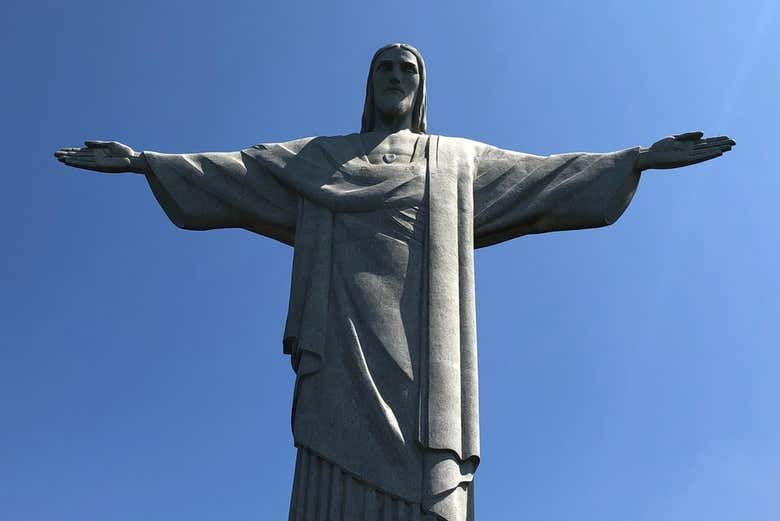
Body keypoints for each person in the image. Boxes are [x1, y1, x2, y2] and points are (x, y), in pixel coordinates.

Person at [55, 43, 734, 521]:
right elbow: (237, 172)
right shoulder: (318, 159)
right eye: (383, 66)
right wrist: (146, 161)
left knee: (432, 485)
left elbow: (545, 175)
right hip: (342, 350)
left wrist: (637, 158)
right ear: (368, 83)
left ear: (421, 86)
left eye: (407, 67)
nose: (394, 74)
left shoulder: (457, 160)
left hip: (427, 363)